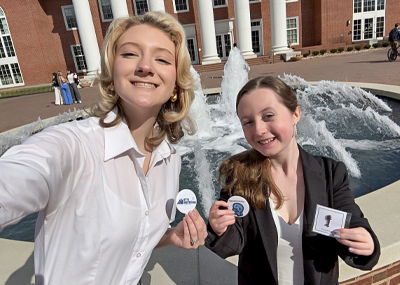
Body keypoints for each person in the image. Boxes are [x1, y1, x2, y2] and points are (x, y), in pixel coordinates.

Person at [0, 11, 207, 284]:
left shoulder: (170, 159)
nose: (145, 65)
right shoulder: (71, 146)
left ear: (175, 86)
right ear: (112, 72)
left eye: (162, 59)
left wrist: (170, 236)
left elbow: (136, 236)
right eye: (131, 54)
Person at [205, 76, 380, 285]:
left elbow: (352, 222)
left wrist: (365, 243)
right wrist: (219, 228)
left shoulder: (330, 173)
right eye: (248, 122)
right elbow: (234, 242)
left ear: (295, 114)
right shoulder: (239, 175)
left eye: (268, 116)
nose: (259, 129)